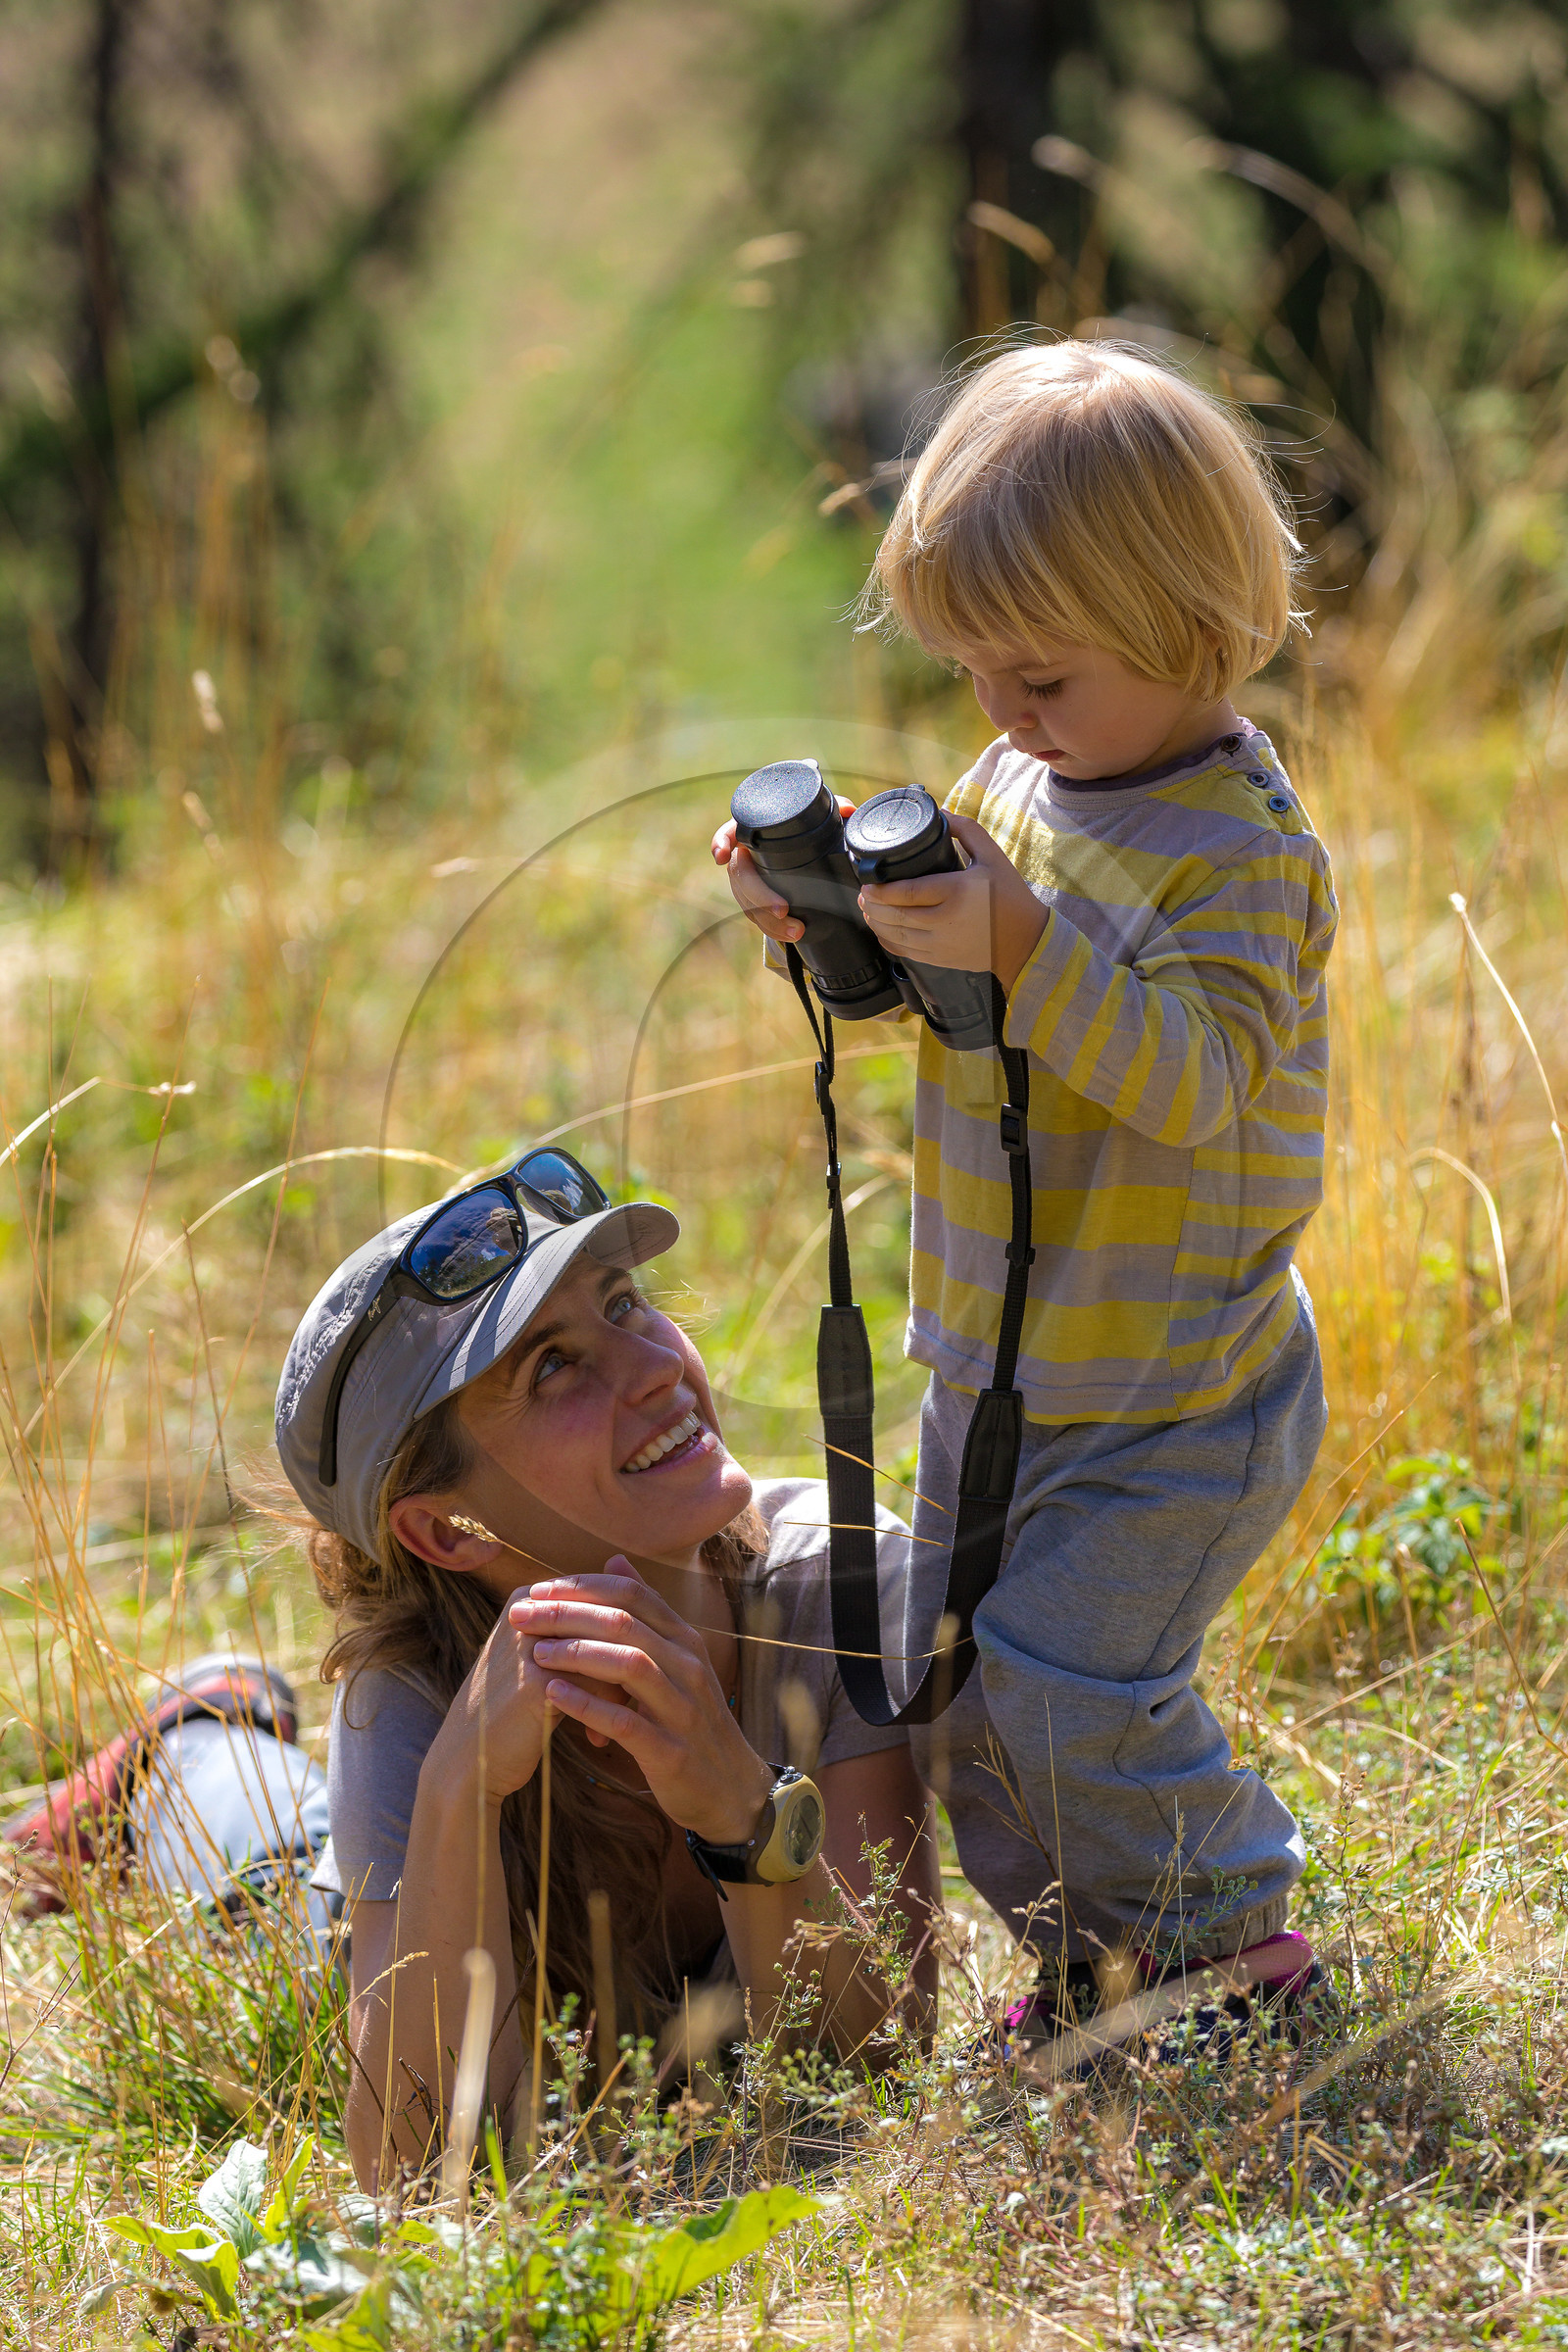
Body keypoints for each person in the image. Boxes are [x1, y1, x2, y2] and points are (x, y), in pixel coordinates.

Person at [712, 339, 1337, 2049]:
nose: (1001, 712)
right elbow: (990, 1021)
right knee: (965, 1694)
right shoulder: (1022, 790)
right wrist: (854, 927)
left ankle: (1235, 1942)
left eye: (1041, 676)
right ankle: (1101, 1956)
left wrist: (1022, 938)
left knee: (1069, 1689)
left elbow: (1193, 1087)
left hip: (1173, 1396)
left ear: (1191, 623)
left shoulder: (1245, 856)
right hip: (993, 1364)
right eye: (975, 667)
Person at [272, 1146, 937, 2191]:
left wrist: (741, 1808)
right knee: (241, 1839)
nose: (657, 1366)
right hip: (307, 1871)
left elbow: (878, 2061)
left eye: (623, 1306)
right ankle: (198, 1728)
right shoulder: (409, 1700)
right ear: (446, 1529)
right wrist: (457, 1790)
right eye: (553, 1365)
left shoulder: (838, 1583)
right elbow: (408, 2172)